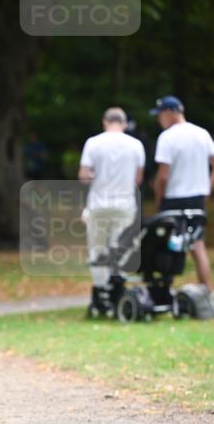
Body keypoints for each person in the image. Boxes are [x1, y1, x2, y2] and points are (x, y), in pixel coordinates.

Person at [78, 107, 145, 311]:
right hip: (125, 204)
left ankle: (100, 293)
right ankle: (117, 289)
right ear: (124, 123)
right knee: (121, 248)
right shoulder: (136, 145)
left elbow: (84, 175)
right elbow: (138, 179)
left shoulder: (93, 143)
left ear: (104, 122)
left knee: (98, 249)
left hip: (99, 204)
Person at [151, 95, 214, 294]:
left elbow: (163, 176)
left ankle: (164, 290)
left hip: (173, 198)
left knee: (167, 243)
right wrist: (207, 189)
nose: (158, 120)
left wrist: (158, 199)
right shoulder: (202, 134)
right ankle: (208, 292)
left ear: (170, 113)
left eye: (160, 115)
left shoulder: (167, 137)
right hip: (197, 198)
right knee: (197, 244)